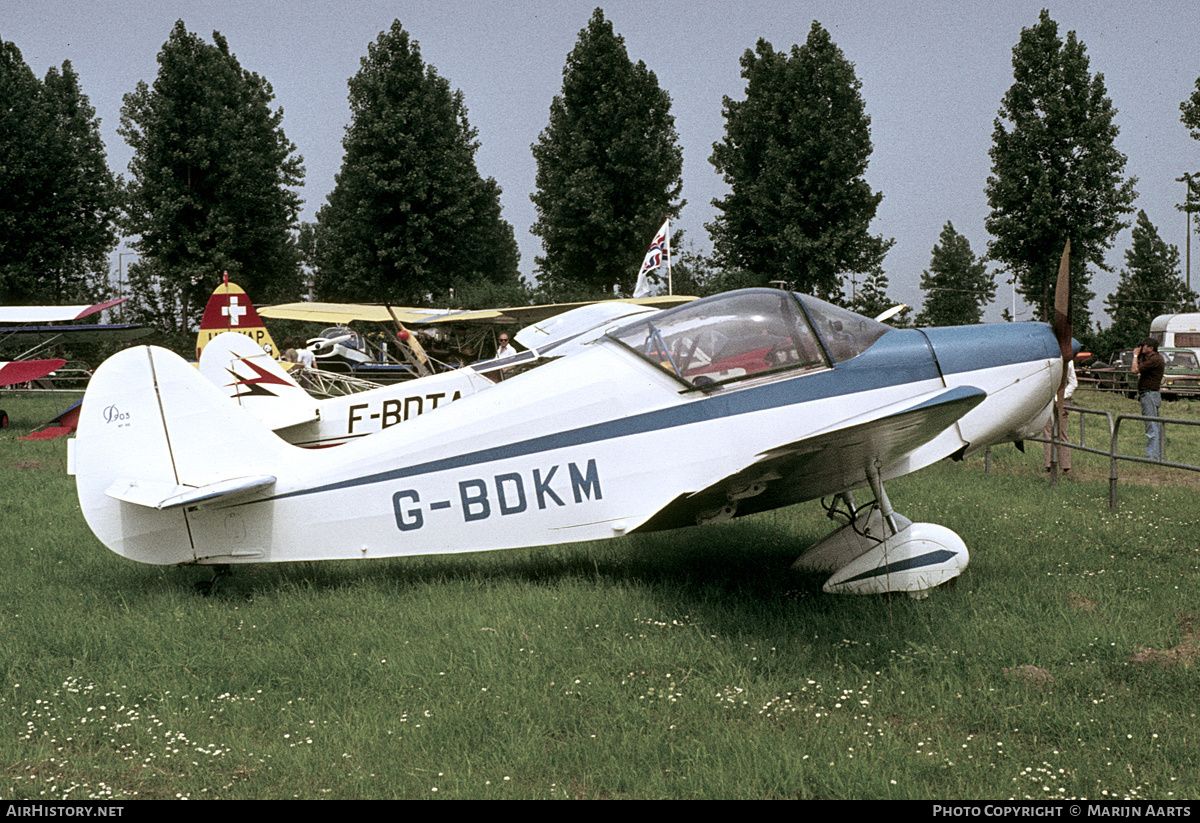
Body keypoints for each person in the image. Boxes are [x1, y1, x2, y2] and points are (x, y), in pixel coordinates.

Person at [1132, 337, 1165, 459]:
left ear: (1151, 348)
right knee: (1153, 425)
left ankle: (1152, 456)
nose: (1141, 348)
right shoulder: (1153, 359)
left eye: (1144, 346)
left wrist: (1135, 356)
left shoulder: (1155, 360)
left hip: (1150, 394)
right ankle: (1156, 454)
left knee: (1151, 426)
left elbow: (1134, 370)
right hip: (1150, 394)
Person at [1044, 359, 1078, 472]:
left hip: (1059, 400)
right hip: (1049, 399)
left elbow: (1073, 383)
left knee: (1060, 432)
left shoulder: (1068, 361)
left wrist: (1060, 398)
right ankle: (1050, 465)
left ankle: (1064, 465)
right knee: (1049, 432)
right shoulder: (1050, 359)